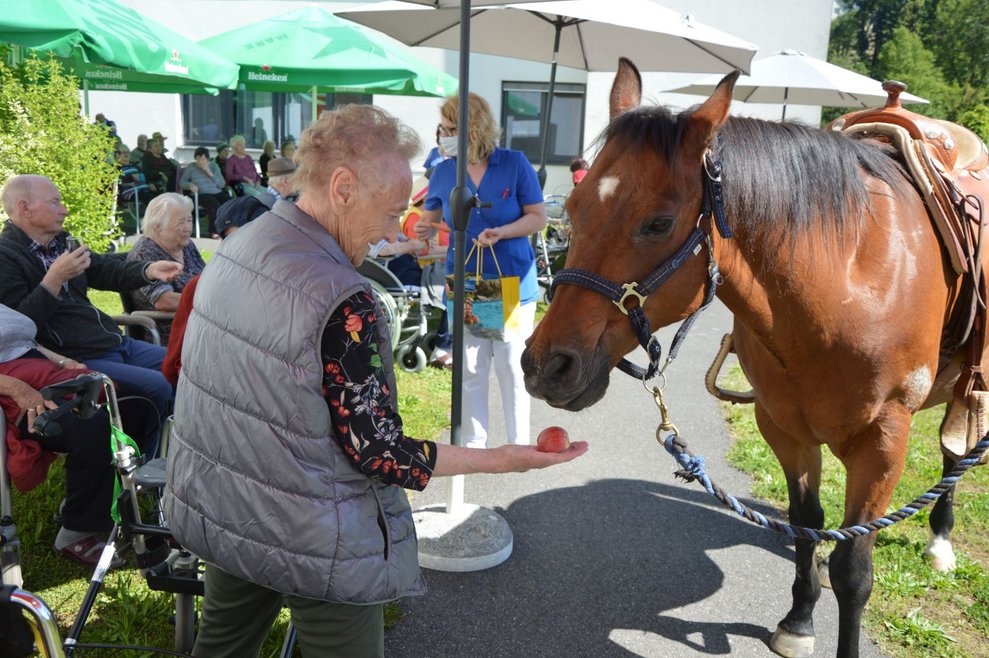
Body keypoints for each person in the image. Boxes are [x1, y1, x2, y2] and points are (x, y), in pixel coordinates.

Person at [163, 104, 586, 658]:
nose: (393, 235)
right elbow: (380, 452)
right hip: (312, 530)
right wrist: (503, 460)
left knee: (220, 647)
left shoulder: (238, 245)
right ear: (341, 187)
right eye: (390, 214)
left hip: (224, 507)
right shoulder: (346, 299)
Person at [0, 175, 182, 455]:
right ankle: (143, 467)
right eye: (55, 202)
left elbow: (106, 270)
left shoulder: (63, 242)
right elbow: (20, 329)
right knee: (157, 384)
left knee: (185, 366)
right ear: (25, 208)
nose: (64, 209)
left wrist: (148, 270)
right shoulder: (5, 257)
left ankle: (175, 452)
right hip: (76, 356)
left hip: (113, 343)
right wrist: (54, 280)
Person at [416, 92, 547, 448]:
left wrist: (503, 232)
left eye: (450, 128)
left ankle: (518, 444)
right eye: (441, 128)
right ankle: (474, 444)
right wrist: (423, 232)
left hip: (511, 281)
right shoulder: (443, 172)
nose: (442, 135)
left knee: (510, 364)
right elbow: (429, 222)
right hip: (468, 282)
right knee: (471, 366)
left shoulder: (514, 164)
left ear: (473, 129)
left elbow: (538, 217)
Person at [0, 302, 129, 569]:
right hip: (13, 388)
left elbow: (26, 341)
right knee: (92, 426)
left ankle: (92, 499)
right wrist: (15, 388)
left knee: (127, 401)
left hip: (39, 372)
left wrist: (64, 362)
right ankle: (76, 531)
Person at [161, 195, 271, 386]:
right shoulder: (293, 286)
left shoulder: (201, 284)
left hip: (210, 389)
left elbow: (171, 368)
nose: (187, 227)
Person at [126, 194, 206, 346]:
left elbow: (208, 278)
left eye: (189, 220)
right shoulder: (144, 253)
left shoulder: (186, 246)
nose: (188, 228)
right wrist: (208, 302)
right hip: (173, 332)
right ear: (158, 227)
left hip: (199, 323)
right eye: (181, 222)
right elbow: (164, 300)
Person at [179, 146, 232, 235]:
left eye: (202, 159)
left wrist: (208, 171)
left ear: (207, 159)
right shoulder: (191, 167)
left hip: (217, 192)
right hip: (201, 193)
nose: (200, 161)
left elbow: (221, 184)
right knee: (215, 205)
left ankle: (229, 228)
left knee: (231, 203)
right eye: (197, 159)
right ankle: (214, 231)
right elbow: (182, 182)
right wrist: (190, 185)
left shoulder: (214, 166)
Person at [224, 135, 264, 199]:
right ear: (234, 147)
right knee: (258, 195)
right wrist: (244, 178)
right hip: (243, 185)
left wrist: (258, 181)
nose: (243, 146)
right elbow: (229, 176)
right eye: (240, 145)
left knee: (269, 194)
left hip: (255, 184)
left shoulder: (248, 158)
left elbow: (256, 172)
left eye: (244, 144)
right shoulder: (231, 160)